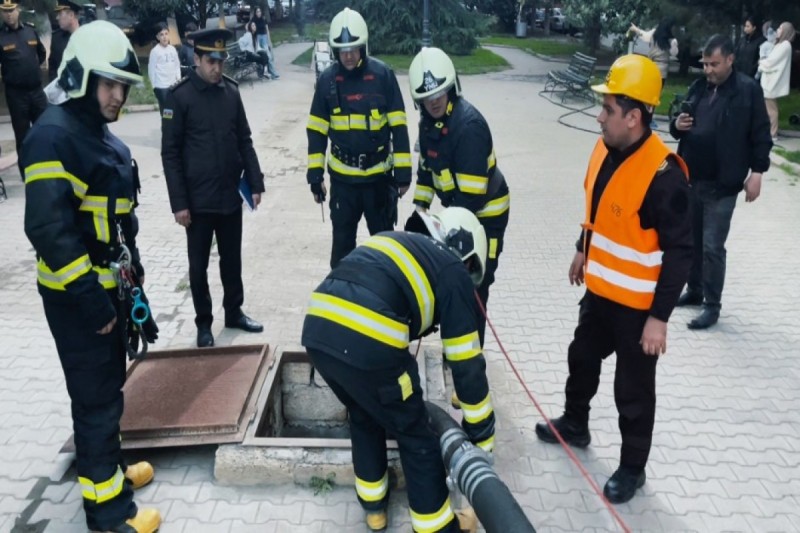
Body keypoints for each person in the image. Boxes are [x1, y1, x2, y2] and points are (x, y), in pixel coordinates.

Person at [22, 20, 161, 533]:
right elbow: (49, 230)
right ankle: (108, 513)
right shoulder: (53, 137)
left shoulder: (94, 134)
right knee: (96, 398)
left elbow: (115, 224)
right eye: (109, 84)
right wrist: (92, 302)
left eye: (123, 86)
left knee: (108, 389)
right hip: (78, 300)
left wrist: (132, 285)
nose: (118, 96)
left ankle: (110, 471)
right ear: (79, 76)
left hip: (107, 291)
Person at [535, 55, 692, 504]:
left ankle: (632, 469)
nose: (599, 116)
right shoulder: (605, 148)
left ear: (634, 117)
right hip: (600, 295)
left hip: (638, 310)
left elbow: (682, 253)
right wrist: (582, 247)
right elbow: (599, 209)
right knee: (582, 356)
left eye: (607, 108)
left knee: (633, 391)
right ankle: (575, 424)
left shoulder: (664, 177)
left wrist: (659, 319)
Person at [301, 206, 491, 532]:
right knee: (415, 432)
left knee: (364, 414)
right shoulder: (452, 270)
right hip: (369, 341)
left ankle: (374, 510)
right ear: (467, 257)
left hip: (318, 330)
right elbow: (466, 362)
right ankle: (437, 527)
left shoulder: (401, 243)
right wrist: (482, 435)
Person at [161, 28, 266, 349]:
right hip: (197, 202)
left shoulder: (231, 92)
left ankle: (233, 312)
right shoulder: (179, 98)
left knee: (232, 260)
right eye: (211, 61)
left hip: (230, 195)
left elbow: (244, 139)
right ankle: (203, 323)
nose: (217, 68)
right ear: (197, 59)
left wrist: (256, 181)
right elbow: (170, 154)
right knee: (199, 267)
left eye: (221, 61)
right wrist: (179, 203)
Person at [408, 47, 510, 347]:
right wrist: (419, 215)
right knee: (453, 282)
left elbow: (471, 199)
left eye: (439, 93)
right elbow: (426, 173)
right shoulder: (428, 125)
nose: (434, 101)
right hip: (459, 210)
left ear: (452, 88)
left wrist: (443, 233)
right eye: (427, 97)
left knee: (475, 285)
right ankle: (456, 351)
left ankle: (472, 358)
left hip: (487, 217)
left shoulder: (469, 128)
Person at [671, 35, 772, 329]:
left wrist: (757, 172)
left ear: (730, 59)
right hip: (691, 178)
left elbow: (761, 134)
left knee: (712, 247)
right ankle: (694, 290)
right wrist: (677, 124)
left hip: (722, 185)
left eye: (714, 64)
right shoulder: (699, 87)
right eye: (705, 64)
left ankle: (712, 306)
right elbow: (677, 121)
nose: (708, 70)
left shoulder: (748, 91)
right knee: (692, 241)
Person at [306, 7, 412, 269]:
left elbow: (399, 127)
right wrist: (315, 175)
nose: (349, 55)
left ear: (364, 46)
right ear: (335, 51)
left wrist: (403, 173)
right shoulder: (327, 81)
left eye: (353, 49)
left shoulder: (383, 76)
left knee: (386, 252)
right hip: (343, 185)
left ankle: (388, 293)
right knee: (342, 254)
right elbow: (317, 131)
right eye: (343, 50)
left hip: (378, 181)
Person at [0, 0, 47, 177]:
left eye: (11, 10)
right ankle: (27, 173)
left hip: (36, 91)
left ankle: (46, 168)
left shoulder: (30, 30)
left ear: (18, 10)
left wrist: (30, 71)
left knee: (44, 130)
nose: (9, 14)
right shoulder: (1, 37)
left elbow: (41, 54)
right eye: (5, 11)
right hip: (16, 95)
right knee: (23, 135)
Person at [758, 22, 796, 141]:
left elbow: (772, 61)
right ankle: (770, 131)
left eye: (780, 28)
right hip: (770, 80)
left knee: (771, 109)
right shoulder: (780, 44)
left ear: (785, 31)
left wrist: (761, 63)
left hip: (773, 81)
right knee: (769, 107)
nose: (777, 30)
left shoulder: (785, 45)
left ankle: (772, 133)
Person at [629, 18, 678, 85]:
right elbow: (674, 53)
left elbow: (644, 36)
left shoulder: (654, 33)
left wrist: (635, 29)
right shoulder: (671, 40)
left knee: (648, 88)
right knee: (657, 89)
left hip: (651, 66)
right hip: (662, 70)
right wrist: (674, 44)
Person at [148, 23, 181, 114]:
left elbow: (177, 66)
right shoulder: (155, 51)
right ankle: (166, 123)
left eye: (166, 34)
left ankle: (172, 123)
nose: (164, 37)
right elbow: (151, 70)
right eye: (161, 35)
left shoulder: (172, 49)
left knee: (174, 109)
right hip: (161, 86)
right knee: (167, 110)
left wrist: (178, 80)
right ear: (157, 37)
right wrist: (154, 86)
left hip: (173, 85)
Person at [48, 0, 81, 82]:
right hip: (62, 86)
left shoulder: (88, 36)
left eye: (60, 14)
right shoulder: (56, 38)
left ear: (71, 15)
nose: (57, 18)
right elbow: (52, 66)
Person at [250, 6, 279, 79]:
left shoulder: (263, 19)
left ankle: (273, 73)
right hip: (257, 38)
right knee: (260, 56)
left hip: (264, 38)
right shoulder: (253, 20)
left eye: (259, 11)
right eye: (257, 12)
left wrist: (269, 41)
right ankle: (261, 73)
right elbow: (250, 28)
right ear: (255, 13)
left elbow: (267, 30)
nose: (259, 13)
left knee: (269, 56)